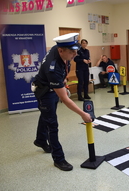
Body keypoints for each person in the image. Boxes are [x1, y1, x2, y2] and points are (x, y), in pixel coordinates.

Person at [32, 33, 92, 171]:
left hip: (53, 86)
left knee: (46, 115)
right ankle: (59, 159)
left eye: (76, 50)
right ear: (60, 51)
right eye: (72, 52)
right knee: (52, 124)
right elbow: (65, 99)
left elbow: (65, 65)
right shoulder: (52, 68)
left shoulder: (60, 47)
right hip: (45, 92)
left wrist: (62, 79)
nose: (75, 54)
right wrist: (83, 114)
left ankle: (40, 140)